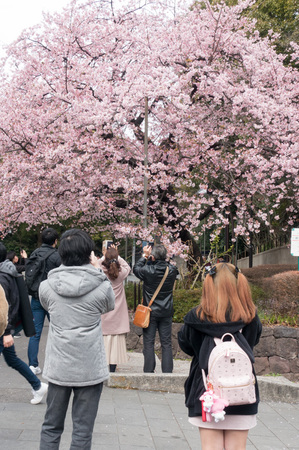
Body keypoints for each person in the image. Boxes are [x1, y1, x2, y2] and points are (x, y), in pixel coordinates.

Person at [39, 228, 115, 450]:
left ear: (61, 253)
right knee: (82, 430)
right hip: (89, 367)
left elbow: (46, 306)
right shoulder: (101, 286)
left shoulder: (47, 287)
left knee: (51, 426)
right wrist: (95, 268)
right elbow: (109, 306)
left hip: (59, 365)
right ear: (88, 254)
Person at [178, 263, 262, 450]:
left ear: (209, 285)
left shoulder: (196, 317)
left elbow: (186, 346)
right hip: (242, 391)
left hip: (207, 394)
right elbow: (252, 342)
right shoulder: (250, 316)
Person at [0, 243, 48, 405]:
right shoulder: (8, 271)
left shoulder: (2, 276)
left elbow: (5, 306)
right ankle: (38, 385)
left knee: (12, 359)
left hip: (2, 328)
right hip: (5, 328)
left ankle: (38, 385)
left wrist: (7, 332)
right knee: (12, 359)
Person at [133, 244, 178, 373]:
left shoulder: (148, 270)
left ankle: (148, 370)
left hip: (150, 312)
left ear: (152, 257)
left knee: (149, 342)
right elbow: (171, 267)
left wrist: (144, 256)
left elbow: (136, 269)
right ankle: (168, 372)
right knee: (166, 343)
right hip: (166, 311)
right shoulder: (172, 270)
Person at [26, 227, 61, 375]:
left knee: (35, 333)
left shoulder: (34, 254)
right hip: (53, 298)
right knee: (59, 331)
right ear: (55, 241)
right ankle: (57, 364)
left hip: (36, 296)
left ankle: (33, 365)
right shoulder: (57, 256)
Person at [98, 245, 131, 372]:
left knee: (104, 340)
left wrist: (104, 255)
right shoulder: (121, 273)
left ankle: (102, 367)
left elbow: (97, 264)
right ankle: (113, 368)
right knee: (115, 342)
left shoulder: (100, 272)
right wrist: (117, 256)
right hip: (117, 314)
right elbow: (127, 266)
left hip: (104, 312)